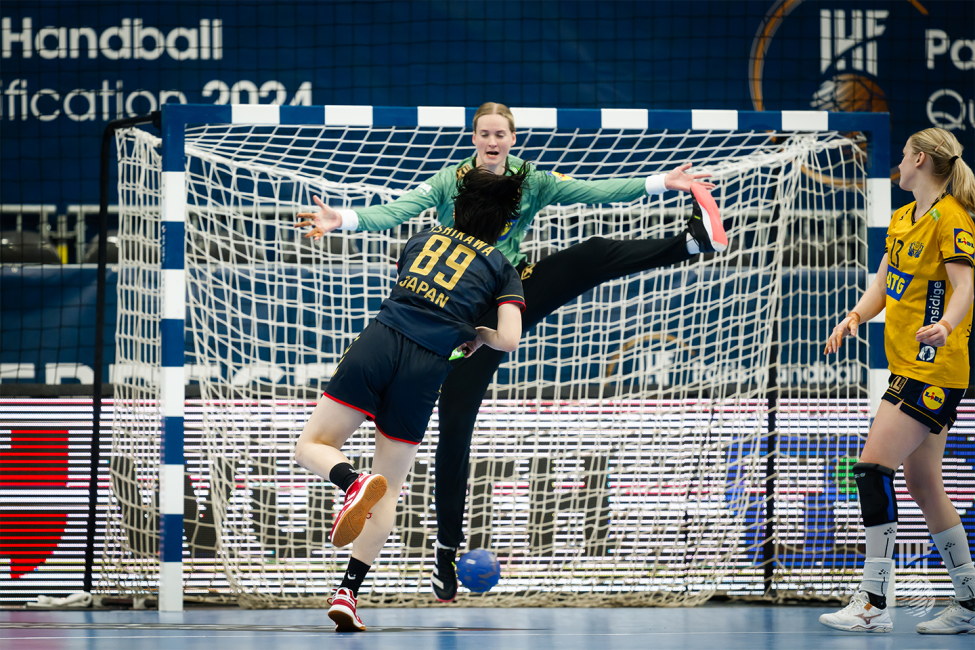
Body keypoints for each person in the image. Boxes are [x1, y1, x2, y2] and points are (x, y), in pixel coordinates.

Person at [298, 101, 727, 602]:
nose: (493, 141)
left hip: (506, 292)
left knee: (585, 257)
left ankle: (692, 243)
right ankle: (445, 552)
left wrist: (660, 183)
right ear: (475, 137)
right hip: (454, 315)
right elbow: (397, 210)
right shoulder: (449, 182)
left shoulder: (531, 181)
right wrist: (344, 218)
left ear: (513, 138)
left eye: (501, 133)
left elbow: (593, 192)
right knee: (455, 425)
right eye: (485, 133)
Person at [293, 166, 528, 632]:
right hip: (428, 368)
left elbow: (410, 286)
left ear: (456, 210)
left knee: (311, 446)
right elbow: (509, 339)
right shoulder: (504, 269)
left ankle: (349, 481)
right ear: (504, 227)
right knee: (390, 489)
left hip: (381, 342)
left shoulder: (422, 239)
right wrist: (477, 336)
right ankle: (348, 593)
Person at [820, 127, 975, 634]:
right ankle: (971, 601)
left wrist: (946, 324)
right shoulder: (904, 217)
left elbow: (965, 286)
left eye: (904, 157)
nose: (899, 164)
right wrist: (855, 318)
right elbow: (886, 281)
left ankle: (873, 602)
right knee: (923, 482)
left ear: (921, 160)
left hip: (931, 367)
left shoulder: (950, 218)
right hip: (910, 365)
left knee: (871, 468)